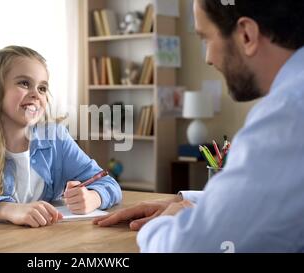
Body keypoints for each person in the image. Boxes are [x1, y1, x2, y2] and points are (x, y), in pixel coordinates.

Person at [94, 0, 304, 252]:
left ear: (247, 34)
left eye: (205, 38)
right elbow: (275, 194)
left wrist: (159, 225)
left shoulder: (287, 115)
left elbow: (189, 247)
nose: (208, 58)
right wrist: (192, 203)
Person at [0, 46, 122, 228]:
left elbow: (108, 183)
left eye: (42, 88)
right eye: (24, 83)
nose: (36, 94)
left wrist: (94, 197)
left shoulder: (56, 138)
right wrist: (10, 209)